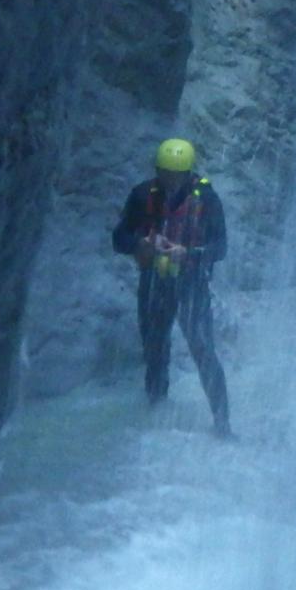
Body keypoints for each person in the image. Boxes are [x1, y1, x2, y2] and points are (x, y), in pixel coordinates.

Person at [112, 138, 232, 436]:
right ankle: (157, 407)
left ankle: (222, 424)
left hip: (192, 284)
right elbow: (119, 238)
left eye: (175, 176)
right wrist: (141, 243)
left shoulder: (206, 199)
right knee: (154, 347)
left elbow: (220, 247)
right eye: (164, 174)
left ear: (188, 175)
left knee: (203, 349)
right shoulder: (143, 195)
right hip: (155, 280)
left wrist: (188, 253)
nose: (169, 181)